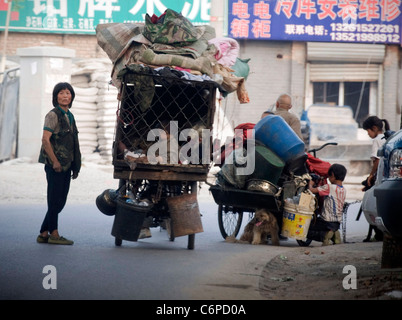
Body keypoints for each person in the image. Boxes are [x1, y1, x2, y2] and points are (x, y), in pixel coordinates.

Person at [37, 82, 81, 245]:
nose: (65, 96)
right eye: (61, 93)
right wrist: (54, 161)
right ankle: (54, 234)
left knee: (60, 200)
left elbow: (74, 142)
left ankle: (43, 233)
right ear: (56, 97)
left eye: (68, 93)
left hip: (67, 165)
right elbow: (45, 140)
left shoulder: (70, 116)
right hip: (55, 165)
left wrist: (75, 165)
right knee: (54, 200)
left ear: (72, 97)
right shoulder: (52, 115)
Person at [307, 163, 347, 246]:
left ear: (332, 175)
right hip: (337, 222)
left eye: (328, 176)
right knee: (329, 225)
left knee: (306, 228)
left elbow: (312, 190)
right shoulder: (343, 190)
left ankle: (325, 236)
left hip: (326, 221)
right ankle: (335, 234)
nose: (328, 178)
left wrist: (310, 183)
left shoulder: (329, 187)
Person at [362, 116, 390, 188]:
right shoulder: (387, 137)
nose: (368, 134)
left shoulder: (377, 140)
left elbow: (377, 160)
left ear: (374, 128)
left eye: (368, 131)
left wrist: (371, 175)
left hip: (380, 172)